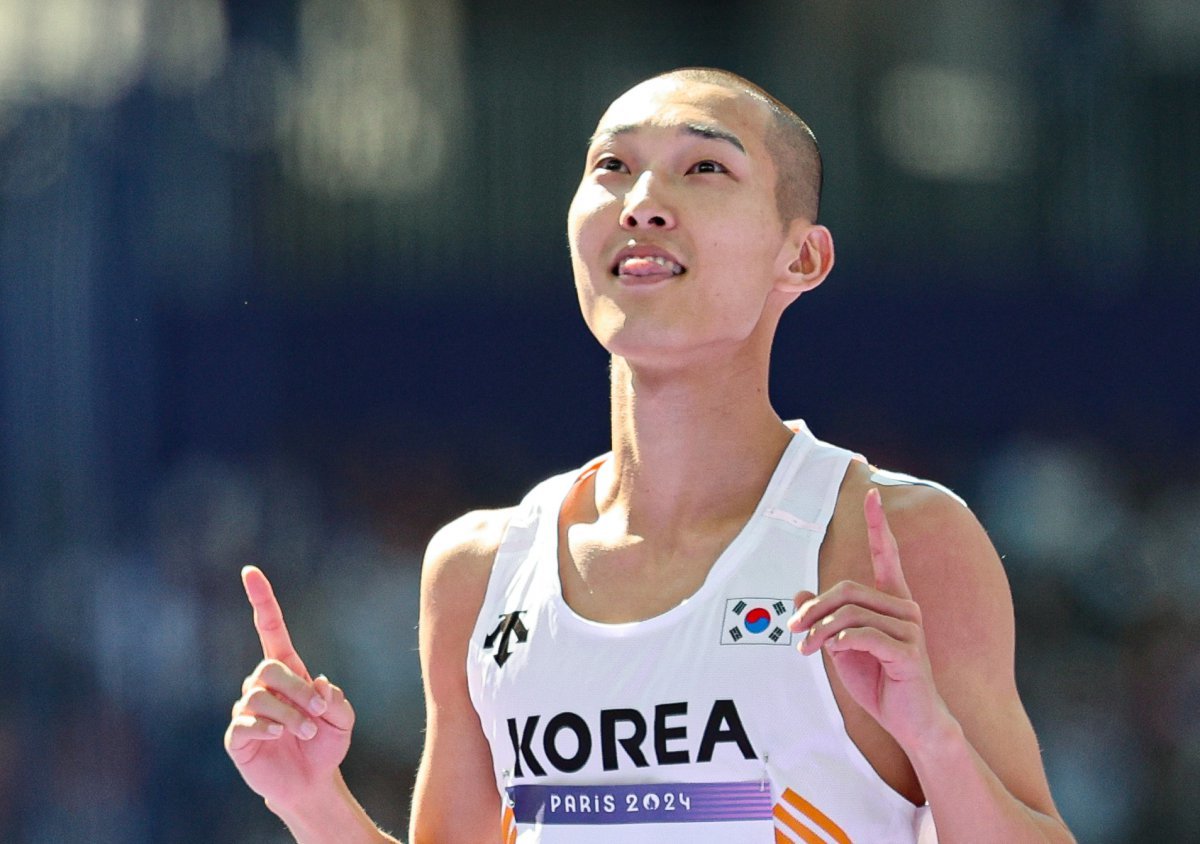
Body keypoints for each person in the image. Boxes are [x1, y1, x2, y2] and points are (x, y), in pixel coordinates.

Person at [225, 68, 1075, 843]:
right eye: (610, 166)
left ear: (802, 256)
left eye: (705, 168)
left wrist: (934, 740)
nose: (641, 201)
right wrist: (312, 802)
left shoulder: (897, 541)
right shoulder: (477, 570)